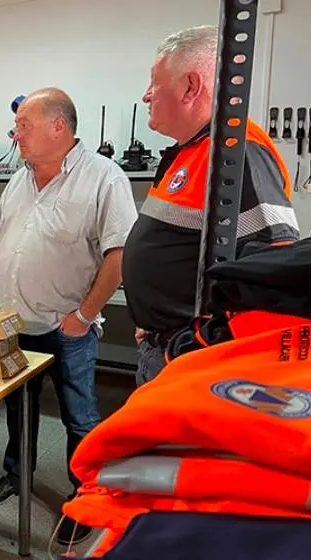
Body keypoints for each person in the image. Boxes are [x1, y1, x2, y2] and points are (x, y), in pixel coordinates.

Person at [0, 88, 138, 545]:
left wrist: (84, 316)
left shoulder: (103, 177)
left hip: (66, 327)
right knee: (19, 408)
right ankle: (17, 475)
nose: (16, 134)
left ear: (59, 127)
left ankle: (87, 497)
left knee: (80, 417)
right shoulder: (18, 179)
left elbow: (119, 253)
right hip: (15, 323)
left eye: (24, 125)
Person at [122, 25, 300, 385]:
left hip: (192, 362)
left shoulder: (239, 155)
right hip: (166, 346)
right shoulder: (193, 152)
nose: (145, 96)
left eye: (154, 83)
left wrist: (193, 344)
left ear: (191, 86)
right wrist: (157, 323)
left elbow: (273, 280)